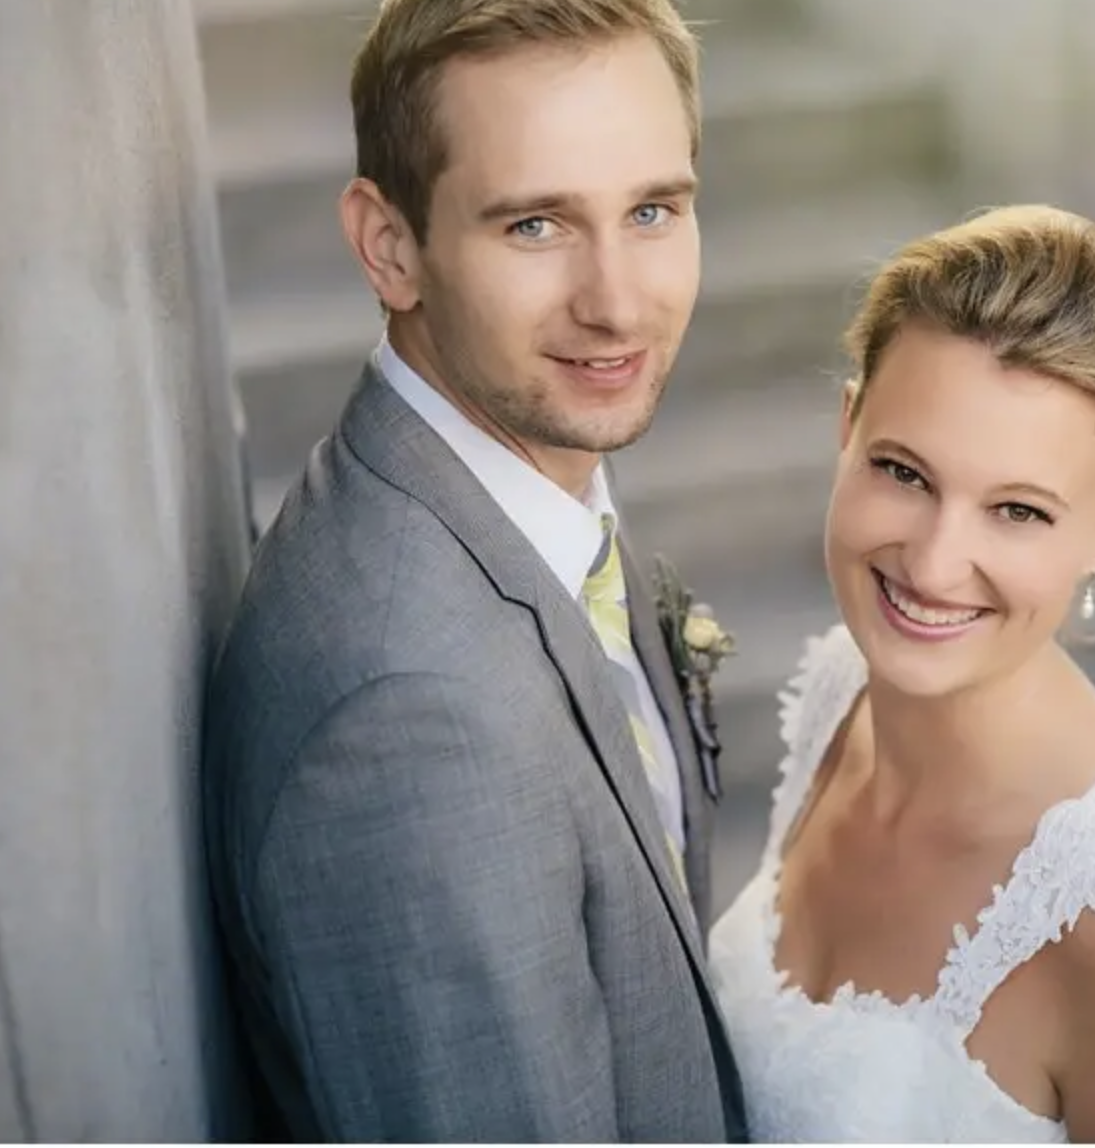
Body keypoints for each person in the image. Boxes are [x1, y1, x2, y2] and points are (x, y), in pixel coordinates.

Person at [200, 0, 745, 1139]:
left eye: (652, 209)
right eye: (536, 226)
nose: (615, 300)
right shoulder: (410, 713)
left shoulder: (528, 496)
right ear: (389, 245)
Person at [708, 205, 1095, 1142]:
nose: (931, 566)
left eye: (1018, 511)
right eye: (905, 473)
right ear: (848, 428)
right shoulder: (842, 691)